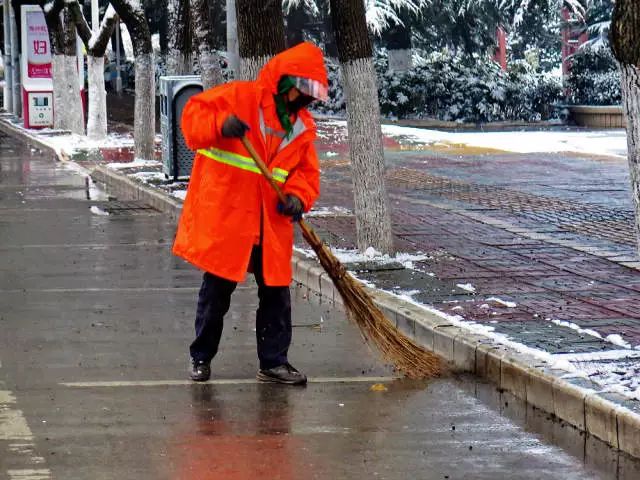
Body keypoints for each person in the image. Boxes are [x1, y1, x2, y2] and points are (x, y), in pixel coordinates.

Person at [173, 42, 329, 386]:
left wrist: (297, 198)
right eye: (303, 91)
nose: (306, 100)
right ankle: (200, 357)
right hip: (231, 217)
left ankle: (274, 362)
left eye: (311, 95)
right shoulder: (240, 98)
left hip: (270, 223)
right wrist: (219, 124)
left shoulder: (302, 127)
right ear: (285, 84)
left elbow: (306, 173)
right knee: (216, 293)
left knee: (276, 294)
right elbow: (192, 118)